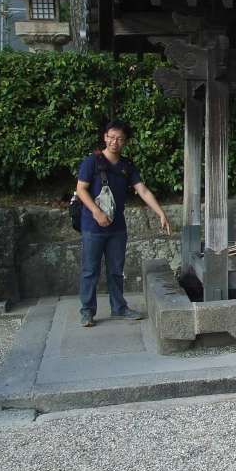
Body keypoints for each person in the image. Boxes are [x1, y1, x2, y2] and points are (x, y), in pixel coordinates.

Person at [76, 120, 171, 327]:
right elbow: (81, 189)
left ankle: (119, 307)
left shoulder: (127, 166)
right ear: (104, 137)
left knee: (116, 270)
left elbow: (142, 190)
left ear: (125, 141)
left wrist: (160, 213)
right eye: (111, 137)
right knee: (90, 270)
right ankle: (87, 311)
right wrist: (96, 212)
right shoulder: (91, 162)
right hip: (93, 226)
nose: (114, 142)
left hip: (117, 227)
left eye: (119, 138)